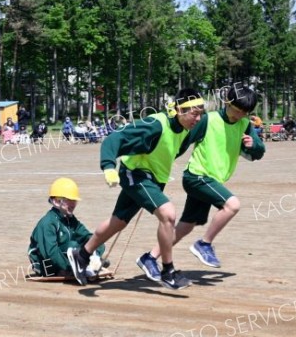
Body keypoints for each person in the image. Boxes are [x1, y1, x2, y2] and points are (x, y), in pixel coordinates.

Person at [67, 88, 205, 290]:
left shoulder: (186, 130)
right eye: (195, 113)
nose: (199, 118)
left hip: (153, 179)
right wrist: (108, 166)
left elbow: (170, 151)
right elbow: (114, 139)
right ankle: (168, 271)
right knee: (168, 215)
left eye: (201, 113)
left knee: (118, 222)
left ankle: (82, 254)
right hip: (136, 174)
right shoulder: (155, 124)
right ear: (179, 110)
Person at [137, 86, 265, 281]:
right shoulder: (207, 119)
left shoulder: (245, 124)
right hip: (197, 176)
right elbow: (182, 143)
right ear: (227, 103)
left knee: (187, 225)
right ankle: (204, 244)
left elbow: (258, 152)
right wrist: (157, 163)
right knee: (232, 205)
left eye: (244, 112)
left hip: (212, 180)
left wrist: (252, 145)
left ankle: (150, 257)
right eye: (237, 110)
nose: (239, 115)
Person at [28, 178, 105, 278]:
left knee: (97, 241)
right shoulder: (48, 223)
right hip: (46, 265)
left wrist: (95, 253)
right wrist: (69, 268)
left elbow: (87, 236)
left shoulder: (70, 219)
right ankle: (75, 267)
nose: (73, 204)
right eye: (69, 200)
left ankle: (91, 263)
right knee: (72, 246)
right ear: (56, 201)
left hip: (66, 257)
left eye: (74, 200)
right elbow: (50, 253)